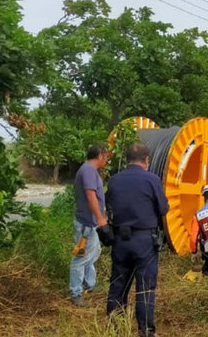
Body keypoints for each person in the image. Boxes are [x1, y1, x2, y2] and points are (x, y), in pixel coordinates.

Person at [105, 143, 169, 337]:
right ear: (146, 160)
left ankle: (116, 329)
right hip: (144, 241)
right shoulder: (152, 179)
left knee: (118, 285)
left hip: (120, 241)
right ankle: (146, 331)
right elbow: (163, 209)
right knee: (145, 288)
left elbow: (107, 206)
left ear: (127, 160)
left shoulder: (114, 180)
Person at [69, 143, 109, 307]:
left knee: (92, 254)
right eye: (106, 156)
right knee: (81, 258)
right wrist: (100, 218)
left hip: (88, 222)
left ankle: (90, 285)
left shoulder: (88, 170)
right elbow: (90, 195)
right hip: (87, 223)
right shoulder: (88, 171)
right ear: (100, 155)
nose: (107, 160)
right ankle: (75, 292)